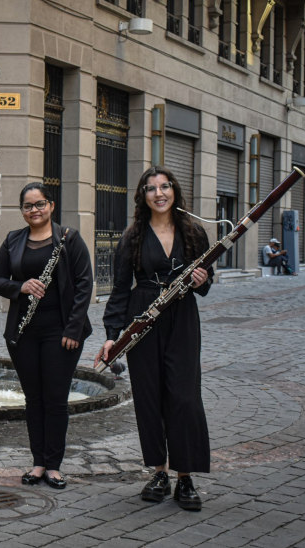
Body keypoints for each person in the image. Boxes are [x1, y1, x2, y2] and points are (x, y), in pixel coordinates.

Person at [93, 166, 213, 511]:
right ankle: (159, 472)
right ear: (142, 196)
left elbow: (205, 288)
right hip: (143, 317)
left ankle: (185, 476)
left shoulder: (193, 232)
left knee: (184, 397)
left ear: (174, 191)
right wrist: (112, 336)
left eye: (165, 187)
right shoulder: (133, 236)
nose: (159, 193)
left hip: (182, 318)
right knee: (149, 398)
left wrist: (201, 279)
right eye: (151, 189)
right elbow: (118, 290)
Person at [0, 182, 93, 489]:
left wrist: (74, 328)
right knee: (34, 399)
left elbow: (84, 284)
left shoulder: (69, 238)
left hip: (61, 332)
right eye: (28, 206)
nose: (34, 210)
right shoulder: (13, 240)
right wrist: (19, 287)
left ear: (51, 206)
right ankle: (38, 462)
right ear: (22, 211)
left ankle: (54, 465)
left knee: (55, 399)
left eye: (39, 204)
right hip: (24, 333)